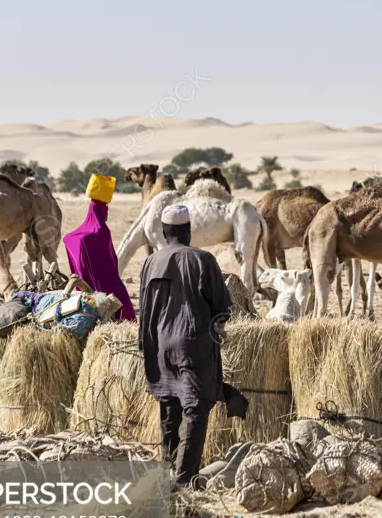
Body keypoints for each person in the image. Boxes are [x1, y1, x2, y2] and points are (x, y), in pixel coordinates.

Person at [139, 203, 245, 486]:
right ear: (188, 231)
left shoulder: (150, 262)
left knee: (170, 406)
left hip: (159, 344)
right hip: (192, 344)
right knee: (195, 410)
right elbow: (222, 307)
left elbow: (145, 308)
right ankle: (184, 481)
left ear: (163, 232)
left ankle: (168, 472)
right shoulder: (203, 259)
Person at [62, 173, 136, 321]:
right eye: (105, 207)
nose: (107, 211)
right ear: (101, 210)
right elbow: (110, 261)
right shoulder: (101, 231)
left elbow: (68, 238)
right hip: (108, 283)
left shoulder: (84, 233)